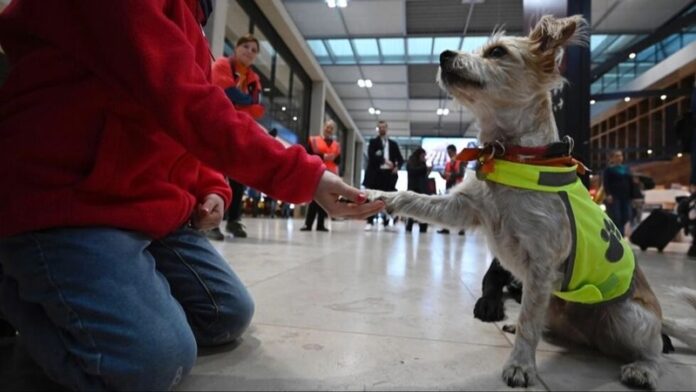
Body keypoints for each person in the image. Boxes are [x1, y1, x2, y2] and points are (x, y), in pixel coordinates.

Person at [0, 2, 383, 390]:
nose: (250, 55)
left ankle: (105, 289)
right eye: (248, 49)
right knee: (150, 364)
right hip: (69, 199)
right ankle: (20, 283)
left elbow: (187, 120)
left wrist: (210, 186)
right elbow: (188, 103)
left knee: (226, 314)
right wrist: (305, 176)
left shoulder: (194, 27)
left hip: (144, 203)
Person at [208, 33, 266, 240]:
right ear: (237, 48)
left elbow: (257, 107)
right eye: (246, 47)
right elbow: (225, 92)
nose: (249, 52)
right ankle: (209, 221)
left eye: (254, 50)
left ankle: (233, 220)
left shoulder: (253, 78)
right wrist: (246, 100)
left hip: (239, 129)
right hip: (216, 124)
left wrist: (244, 101)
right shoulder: (222, 65)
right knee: (213, 173)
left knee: (238, 177)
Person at [362, 120, 404, 231]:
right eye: (380, 127)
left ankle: (386, 223)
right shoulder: (373, 142)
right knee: (372, 198)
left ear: (387, 128)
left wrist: (396, 167)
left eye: (384, 127)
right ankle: (370, 221)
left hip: (388, 176)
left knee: (387, 199)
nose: (382, 129)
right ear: (377, 129)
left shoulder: (393, 144)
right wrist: (385, 161)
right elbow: (372, 156)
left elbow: (400, 159)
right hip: (375, 175)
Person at [301, 120, 341, 232]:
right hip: (316, 173)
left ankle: (320, 225)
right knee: (314, 199)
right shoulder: (314, 140)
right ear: (324, 127)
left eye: (331, 128)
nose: (329, 130)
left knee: (325, 200)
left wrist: (333, 158)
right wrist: (324, 156)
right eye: (327, 127)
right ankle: (308, 224)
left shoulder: (336, 145)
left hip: (330, 175)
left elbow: (338, 160)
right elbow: (308, 154)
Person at [603, 149, 633, 236]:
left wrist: (633, 195)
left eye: (620, 155)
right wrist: (608, 194)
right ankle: (618, 234)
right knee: (616, 216)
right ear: (612, 158)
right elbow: (606, 183)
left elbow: (630, 183)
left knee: (626, 215)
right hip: (614, 196)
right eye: (617, 156)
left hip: (626, 196)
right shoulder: (609, 170)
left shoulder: (626, 169)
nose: (619, 158)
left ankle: (621, 232)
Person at [438, 144, 465, 235]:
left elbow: (461, 174)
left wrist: (451, 175)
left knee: (459, 207)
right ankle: (446, 228)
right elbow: (446, 177)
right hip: (449, 186)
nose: (449, 154)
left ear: (455, 151)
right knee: (447, 207)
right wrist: (442, 175)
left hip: (458, 186)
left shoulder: (461, 161)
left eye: (451, 152)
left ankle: (462, 228)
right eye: (448, 153)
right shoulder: (448, 164)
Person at [405, 148, 431, 233]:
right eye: (423, 155)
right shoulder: (411, 162)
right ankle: (410, 226)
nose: (424, 157)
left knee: (422, 210)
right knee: (412, 210)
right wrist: (424, 168)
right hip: (414, 189)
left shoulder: (422, 163)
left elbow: (424, 177)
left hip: (422, 189)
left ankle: (423, 227)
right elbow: (413, 172)